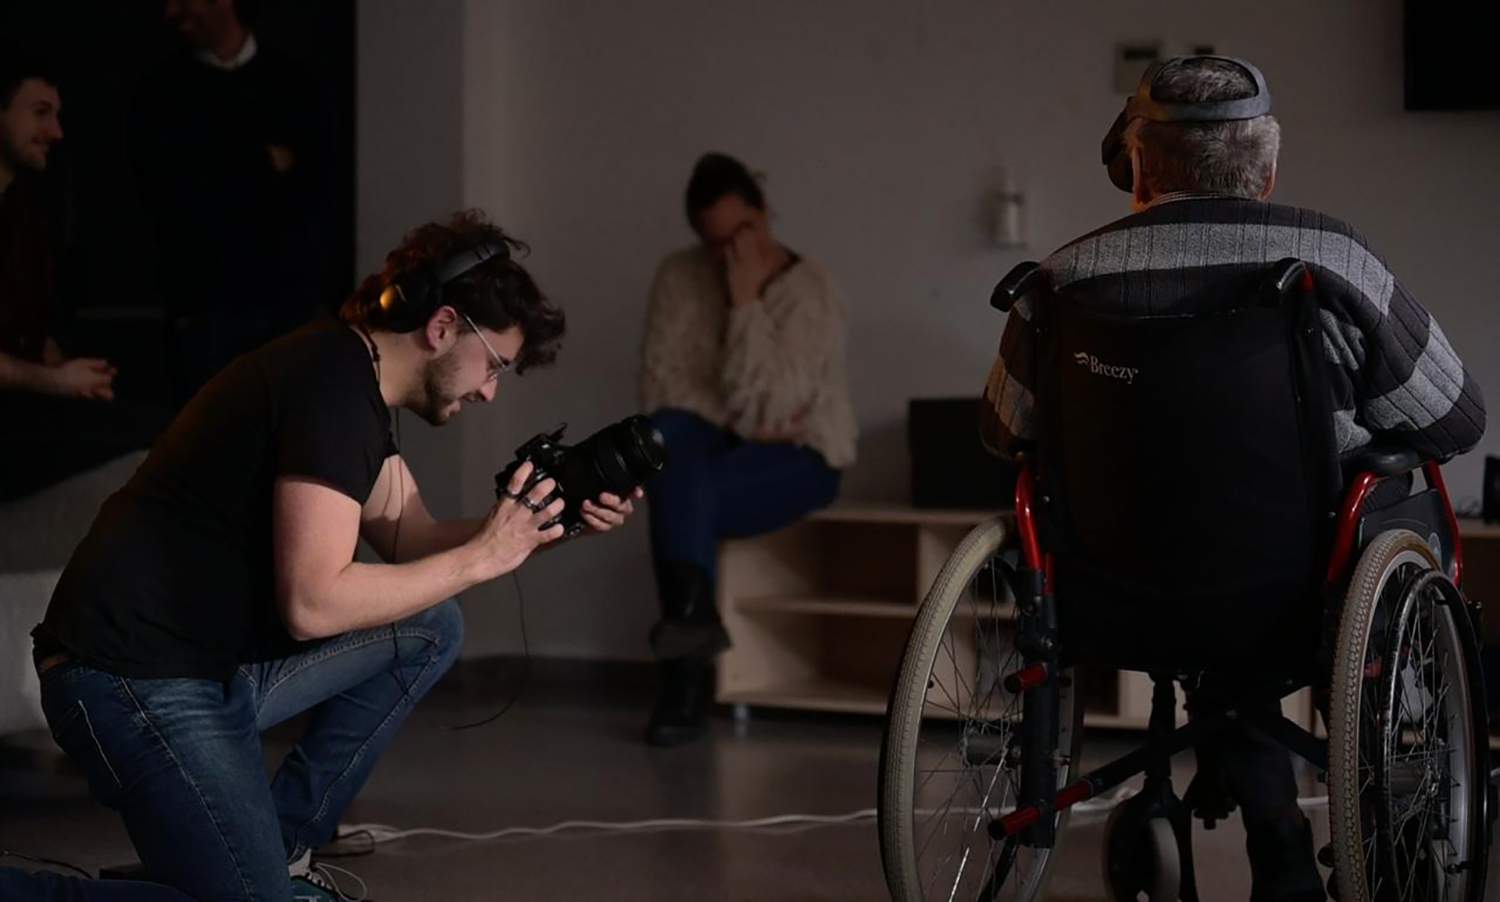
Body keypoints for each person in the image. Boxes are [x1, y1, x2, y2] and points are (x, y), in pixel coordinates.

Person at [10, 211, 641, 901]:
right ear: (442, 327)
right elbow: (313, 606)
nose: (489, 391)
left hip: (205, 667)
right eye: (493, 365)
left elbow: (413, 540)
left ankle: (277, 849)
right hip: (128, 677)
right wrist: (485, 556)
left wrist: (546, 529)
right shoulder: (330, 391)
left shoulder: (347, 379)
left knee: (431, 625)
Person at [981, 57, 1485, 902]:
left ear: (1137, 166)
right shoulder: (1329, 258)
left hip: (1118, 593)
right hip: (1306, 592)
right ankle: (1342, 819)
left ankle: (1274, 831)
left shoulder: (1061, 279)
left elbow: (1003, 435)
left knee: (1218, 609)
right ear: (1267, 169)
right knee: (1381, 507)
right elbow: (1455, 419)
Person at [638, 152, 857, 746]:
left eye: (744, 231)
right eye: (716, 242)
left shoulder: (809, 286)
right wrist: (743, 419)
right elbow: (663, 390)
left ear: (764, 213)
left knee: (679, 475)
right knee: (664, 441)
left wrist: (745, 301)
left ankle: (683, 677)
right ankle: (692, 642)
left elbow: (770, 407)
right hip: (708, 448)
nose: (732, 251)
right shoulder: (678, 276)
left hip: (803, 459)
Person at [137, 0, 333, 401]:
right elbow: (173, 189)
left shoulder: (294, 82)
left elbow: (316, 183)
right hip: (202, 309)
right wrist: (261, 163)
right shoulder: (164, 90)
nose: (172, 11)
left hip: (287, 306)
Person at [0, 57, 164, 501]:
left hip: (24, 402)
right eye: (40, 113)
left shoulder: (25, 209)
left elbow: (28, 326)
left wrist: (70, 373)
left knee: (164, 425)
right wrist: (53, 381)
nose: (56, 132)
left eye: (57, 115)